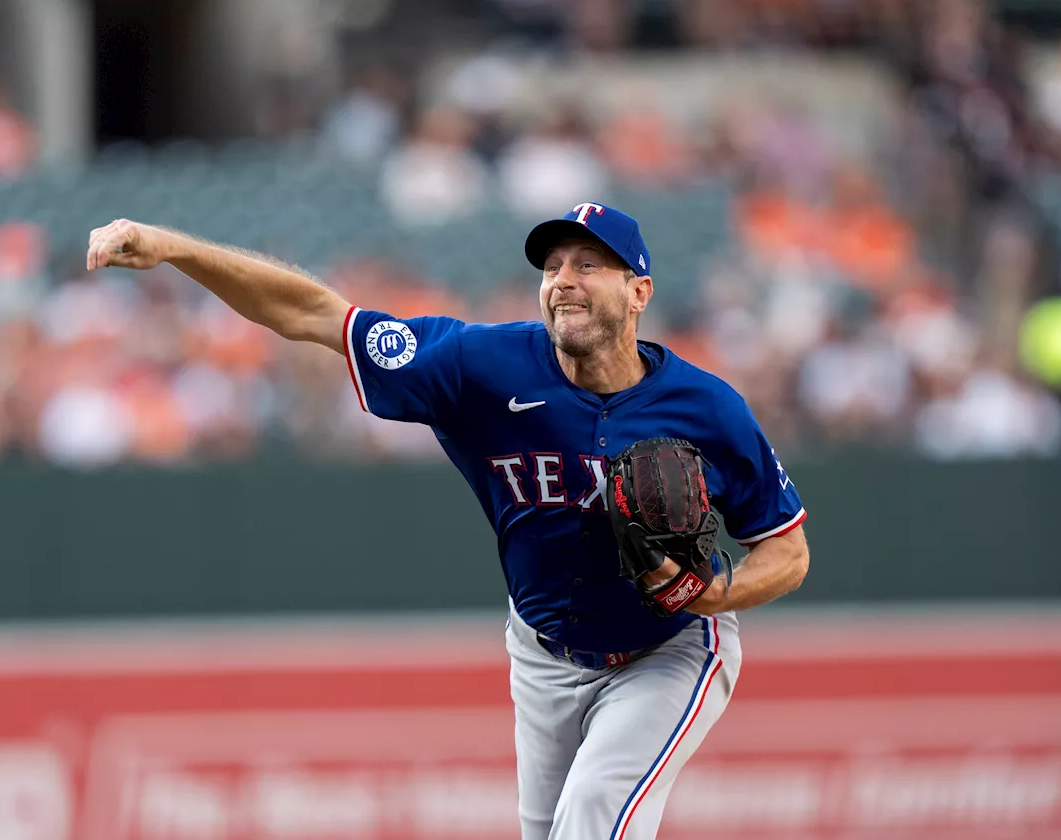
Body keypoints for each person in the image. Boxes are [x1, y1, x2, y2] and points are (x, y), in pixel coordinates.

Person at [86, 202, 810, 840]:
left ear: (639, 290)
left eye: (590, 264)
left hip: (669, 650)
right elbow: (315, 313)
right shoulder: (480, 365)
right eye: (553, 265)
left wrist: (713, 595)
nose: (564, 279)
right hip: (544, 653)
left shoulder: (707, 407)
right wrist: (173, 248)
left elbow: (787, 549)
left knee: (594, 812)